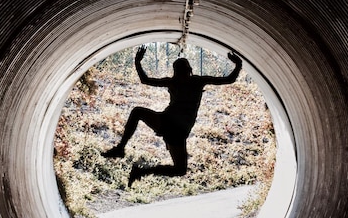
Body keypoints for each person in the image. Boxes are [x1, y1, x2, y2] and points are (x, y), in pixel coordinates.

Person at [102, 45, 243, 187]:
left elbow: (145, 80)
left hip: (172, 127)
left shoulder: (179, 81)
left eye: (182, 73)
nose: (182, 76)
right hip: (173, 126)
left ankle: (134, 164)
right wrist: (238, 65)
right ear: (188, 71)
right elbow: (229, 79)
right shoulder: (194, 81)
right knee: (179, 169)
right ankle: (129, 159)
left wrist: (138, 62)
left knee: (180, 169)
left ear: (184, 72)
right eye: (180, 73)